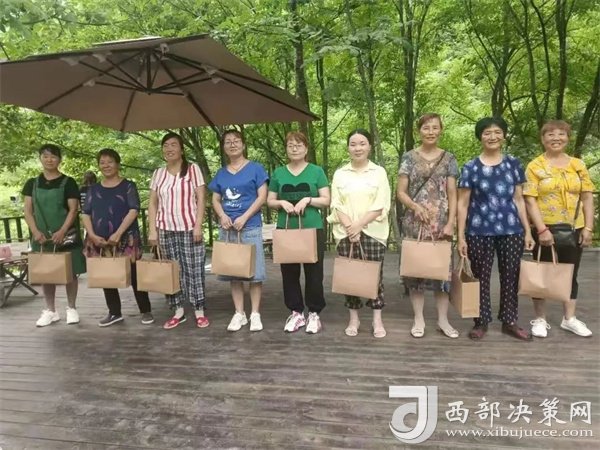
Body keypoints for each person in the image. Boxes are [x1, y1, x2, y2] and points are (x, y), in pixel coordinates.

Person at [457, 116, 535, 341]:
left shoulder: (513, 164)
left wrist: (528, 231)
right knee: (480, 277)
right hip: (478, 230)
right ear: (480, 137)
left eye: (497, 132)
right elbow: (462, 204)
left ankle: (509, 321)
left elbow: (519, 199)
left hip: (511, 230)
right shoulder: (471, 167)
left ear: (504, 135)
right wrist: (460, 236)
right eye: (487, 133)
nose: (492, 136)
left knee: (511, 276)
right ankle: (480, 321)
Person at [524, 120, 595, 338]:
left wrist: (588, 227)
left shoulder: (577, 165)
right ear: (542, 139)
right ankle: (540, 318)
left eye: (561, 134)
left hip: (574, 226)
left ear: (568, 138)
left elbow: (587, 197)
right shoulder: (535, 166)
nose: (556, 138)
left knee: (571, 272)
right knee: (541, 272)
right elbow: (530, 200)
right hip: (545, 227)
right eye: (550, 134)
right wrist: (541, 229)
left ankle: (569, 318)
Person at [397, 114, 459, 339]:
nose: (430, 132)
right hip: (415, 222)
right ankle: (419, 318)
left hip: (441, 224)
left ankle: (443, 319)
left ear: (441, 130)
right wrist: (414, 206)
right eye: (426, 128)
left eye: (434, 127)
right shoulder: (409, 157)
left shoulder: (449, 158)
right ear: (419, 131)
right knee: (417, 271)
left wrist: (451, 222)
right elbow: (401, 192)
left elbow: (452, 193)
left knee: (442, 273)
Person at [328, 129, 391, 338]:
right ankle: (353, 319)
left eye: (362, 143)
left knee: (375, 277)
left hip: (373, 232)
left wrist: (359, 225)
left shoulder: (379, 172)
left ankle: (377, 320)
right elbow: (336, 204)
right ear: (348, 147)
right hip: (345, 233)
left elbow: (381, 204)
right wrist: (350, 227)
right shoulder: (340, 174)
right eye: (353, 144)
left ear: (369, 146)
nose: (358, 148)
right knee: (350, 277)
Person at [267, 131, 330, 334]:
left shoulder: (316, 171)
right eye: (290, 145)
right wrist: (281, 203)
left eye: (299, 145)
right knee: (289, 272)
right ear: (286, 149)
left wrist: (308, 200)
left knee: (314, 272)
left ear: (306, 148)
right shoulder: (278, 173)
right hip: (286, 229)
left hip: (312, 228)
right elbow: (269, 200)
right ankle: (296, 312)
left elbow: (326, 200)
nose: (294, 149)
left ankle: (314, 313)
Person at [82, 148, 153, 327]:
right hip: (99, 239)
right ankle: (114, 312)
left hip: (126, 237)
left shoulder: (128, 186)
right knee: (107, 275)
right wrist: (92, 235)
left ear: (118, 164)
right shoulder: (93, 189)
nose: (106, 165)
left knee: (135, 275)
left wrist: (118, 233)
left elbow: (134, 210)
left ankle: (145, 310)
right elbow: (85, 213)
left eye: (110, 161)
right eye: (102, 162)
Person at [208, 130, 269, 332]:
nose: (232, 144)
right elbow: (215, 199)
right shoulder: (221, 173)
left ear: (243, 145)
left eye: (236, 141)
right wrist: (222, 215)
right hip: (228, 229)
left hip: (250, 226)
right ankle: (239, 313)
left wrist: (245, 216)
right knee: (233, 273)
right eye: (228, 142)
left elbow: (262, 196)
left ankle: (255, 314)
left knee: (254, 273)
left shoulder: (256, 168)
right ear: (224, 147)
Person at [148, 132, 208, 330]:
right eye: (166, 145)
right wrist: (152, 231)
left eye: (173, 144)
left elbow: (201, 198)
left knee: (194, 269)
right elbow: (153, 203)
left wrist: (198, 225)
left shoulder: (192, 169)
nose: (169, 149)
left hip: (189, 227)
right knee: (171, 271)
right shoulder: (158, 173)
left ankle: (199, 310)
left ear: (181, 149)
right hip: (165, 228)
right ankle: (178, 310)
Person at [22, 144, 86, 327]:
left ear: (59, 160)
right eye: (45, 156)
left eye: (53, 157)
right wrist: (35, 231)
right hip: (41, 236)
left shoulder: (68, 182)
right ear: (40, 158)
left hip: (66, 235)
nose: (49, 160)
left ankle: (72, 308)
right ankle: (50, 310)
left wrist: (63, 230)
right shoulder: (32, 183)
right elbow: (27, 211)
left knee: (71, 271)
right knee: (46, 273)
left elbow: (73, 209)